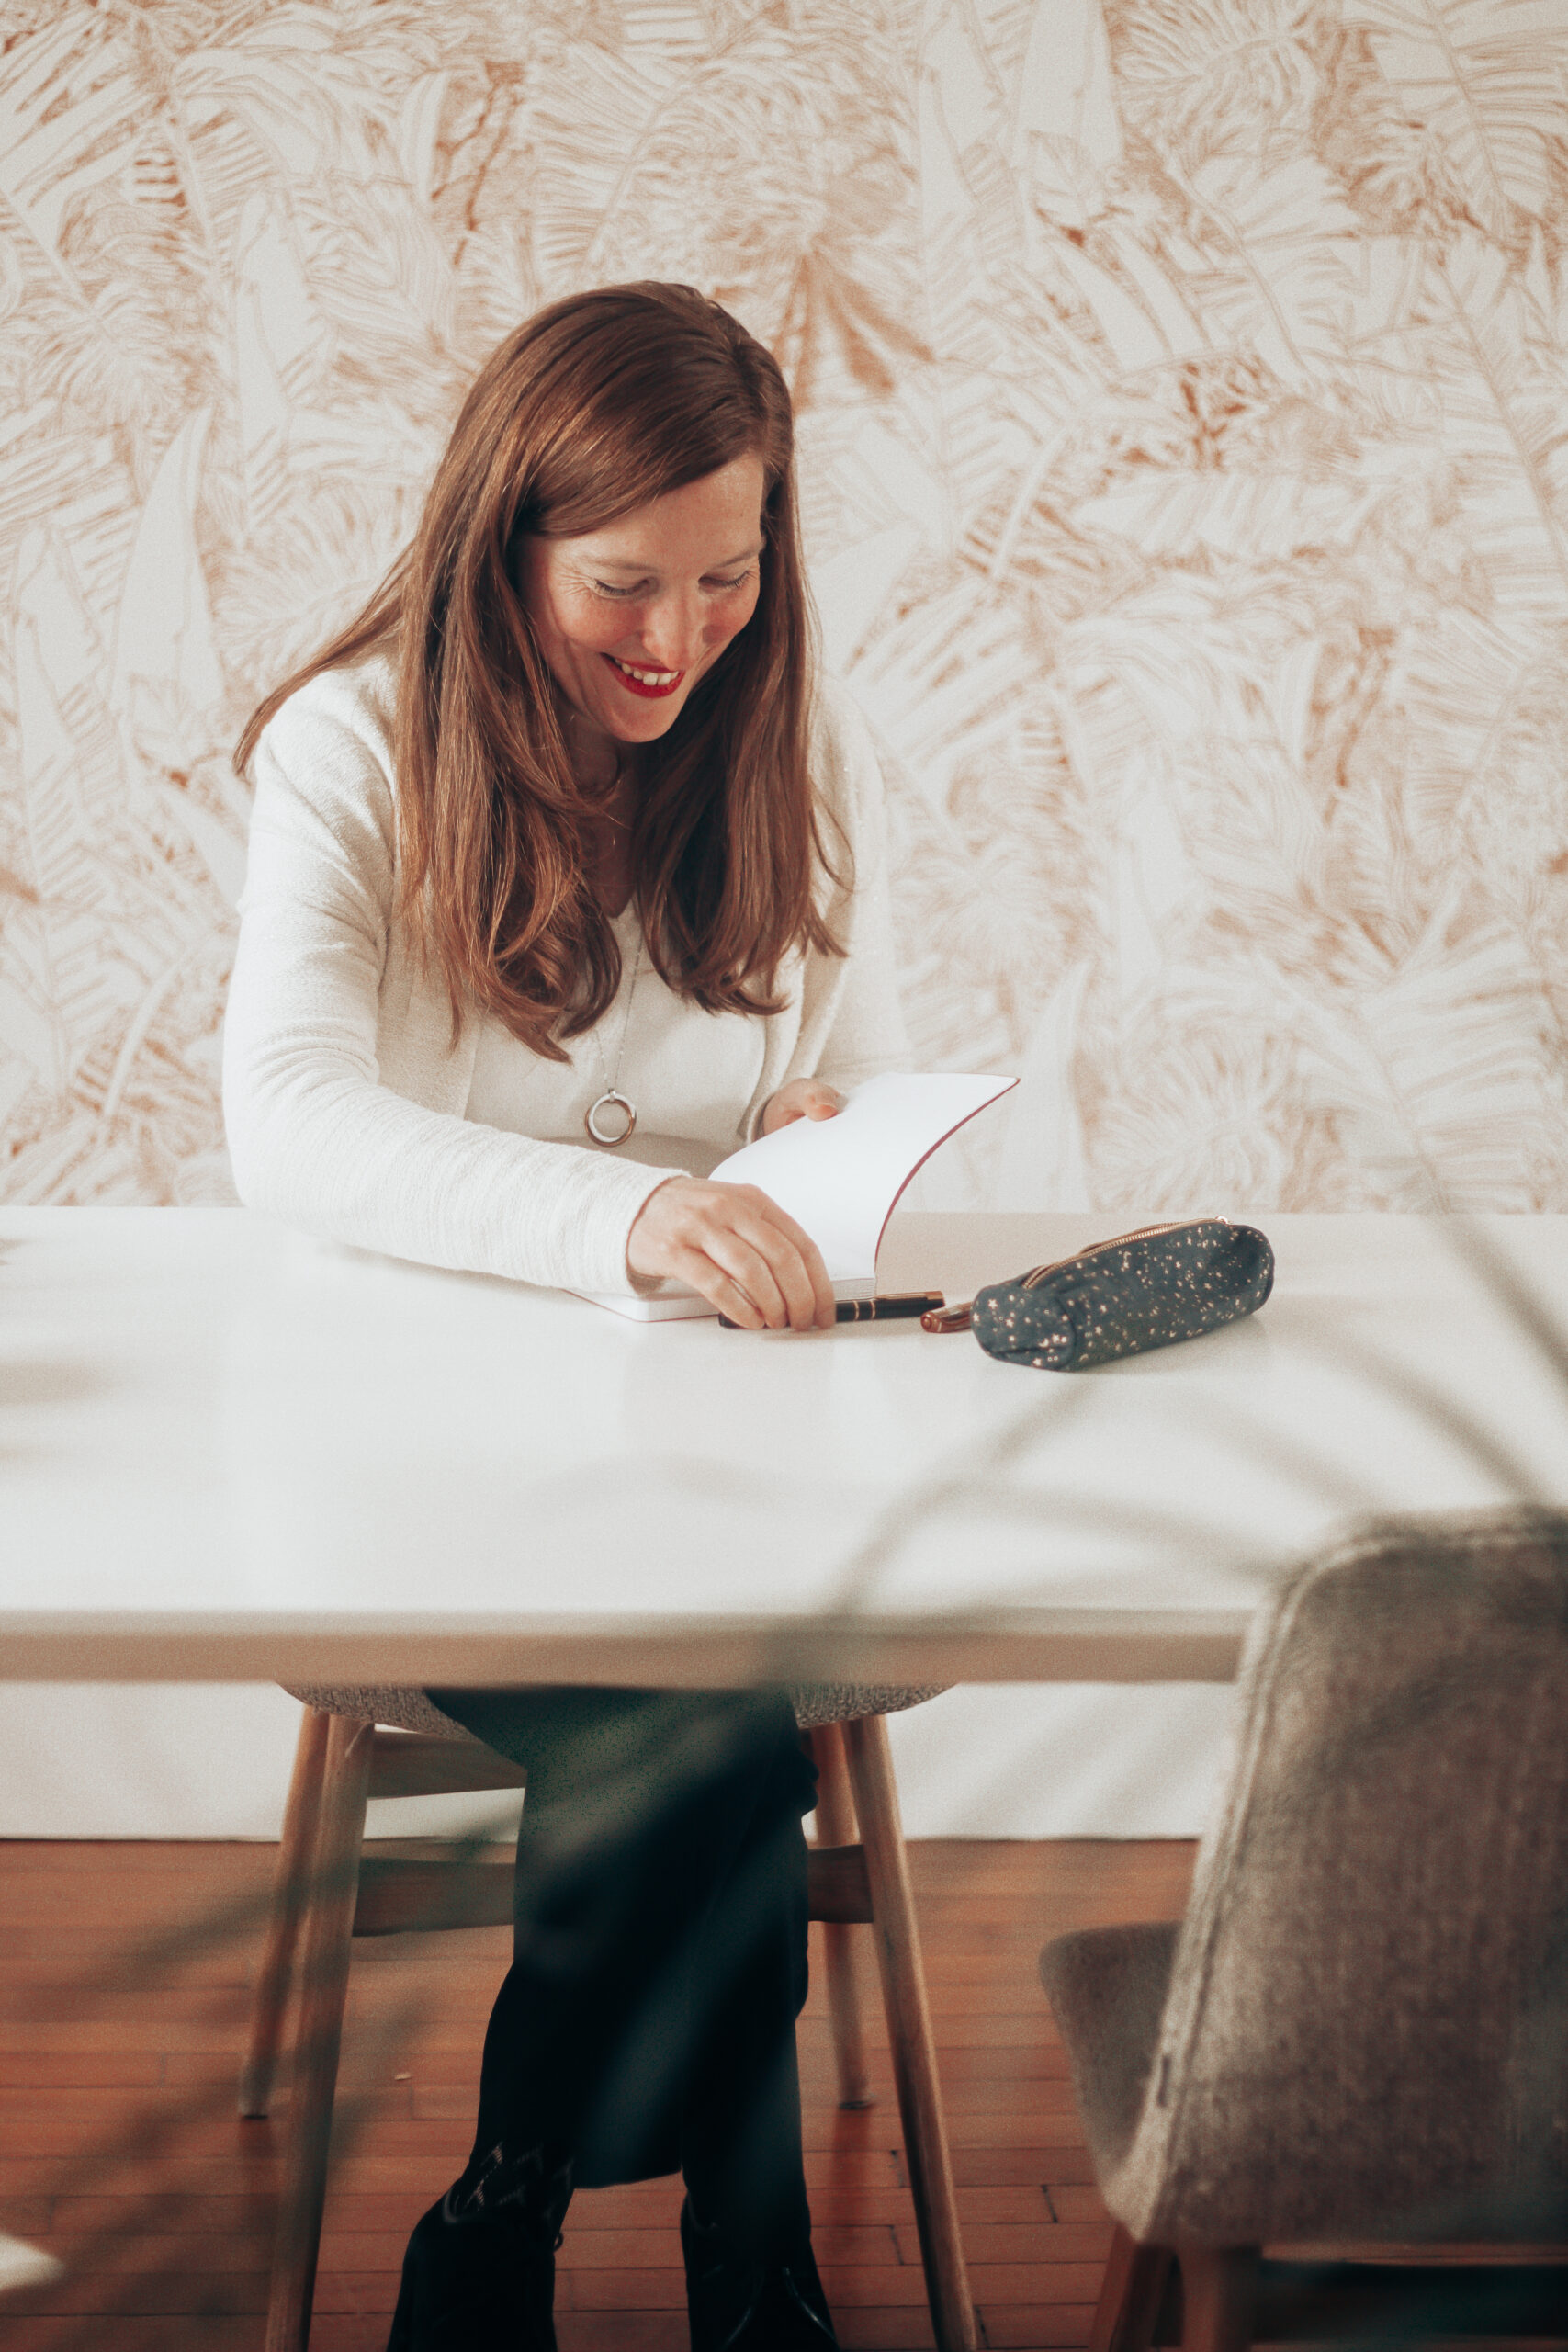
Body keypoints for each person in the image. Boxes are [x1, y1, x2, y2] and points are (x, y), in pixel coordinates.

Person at [224, 282, 913, 2352]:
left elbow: (848, 1070)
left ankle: (501, 2210)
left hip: (722, 1479)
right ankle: (744, 2244)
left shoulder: (776, 732)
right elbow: (290, 1120)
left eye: (727, 577)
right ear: (502, 537)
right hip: (417, 1490)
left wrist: (812, 1130)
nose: (672, 637)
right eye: (622, 582)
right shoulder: (351, 742)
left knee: (702, 1697)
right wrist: (641, 1214)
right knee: (707, 1727)